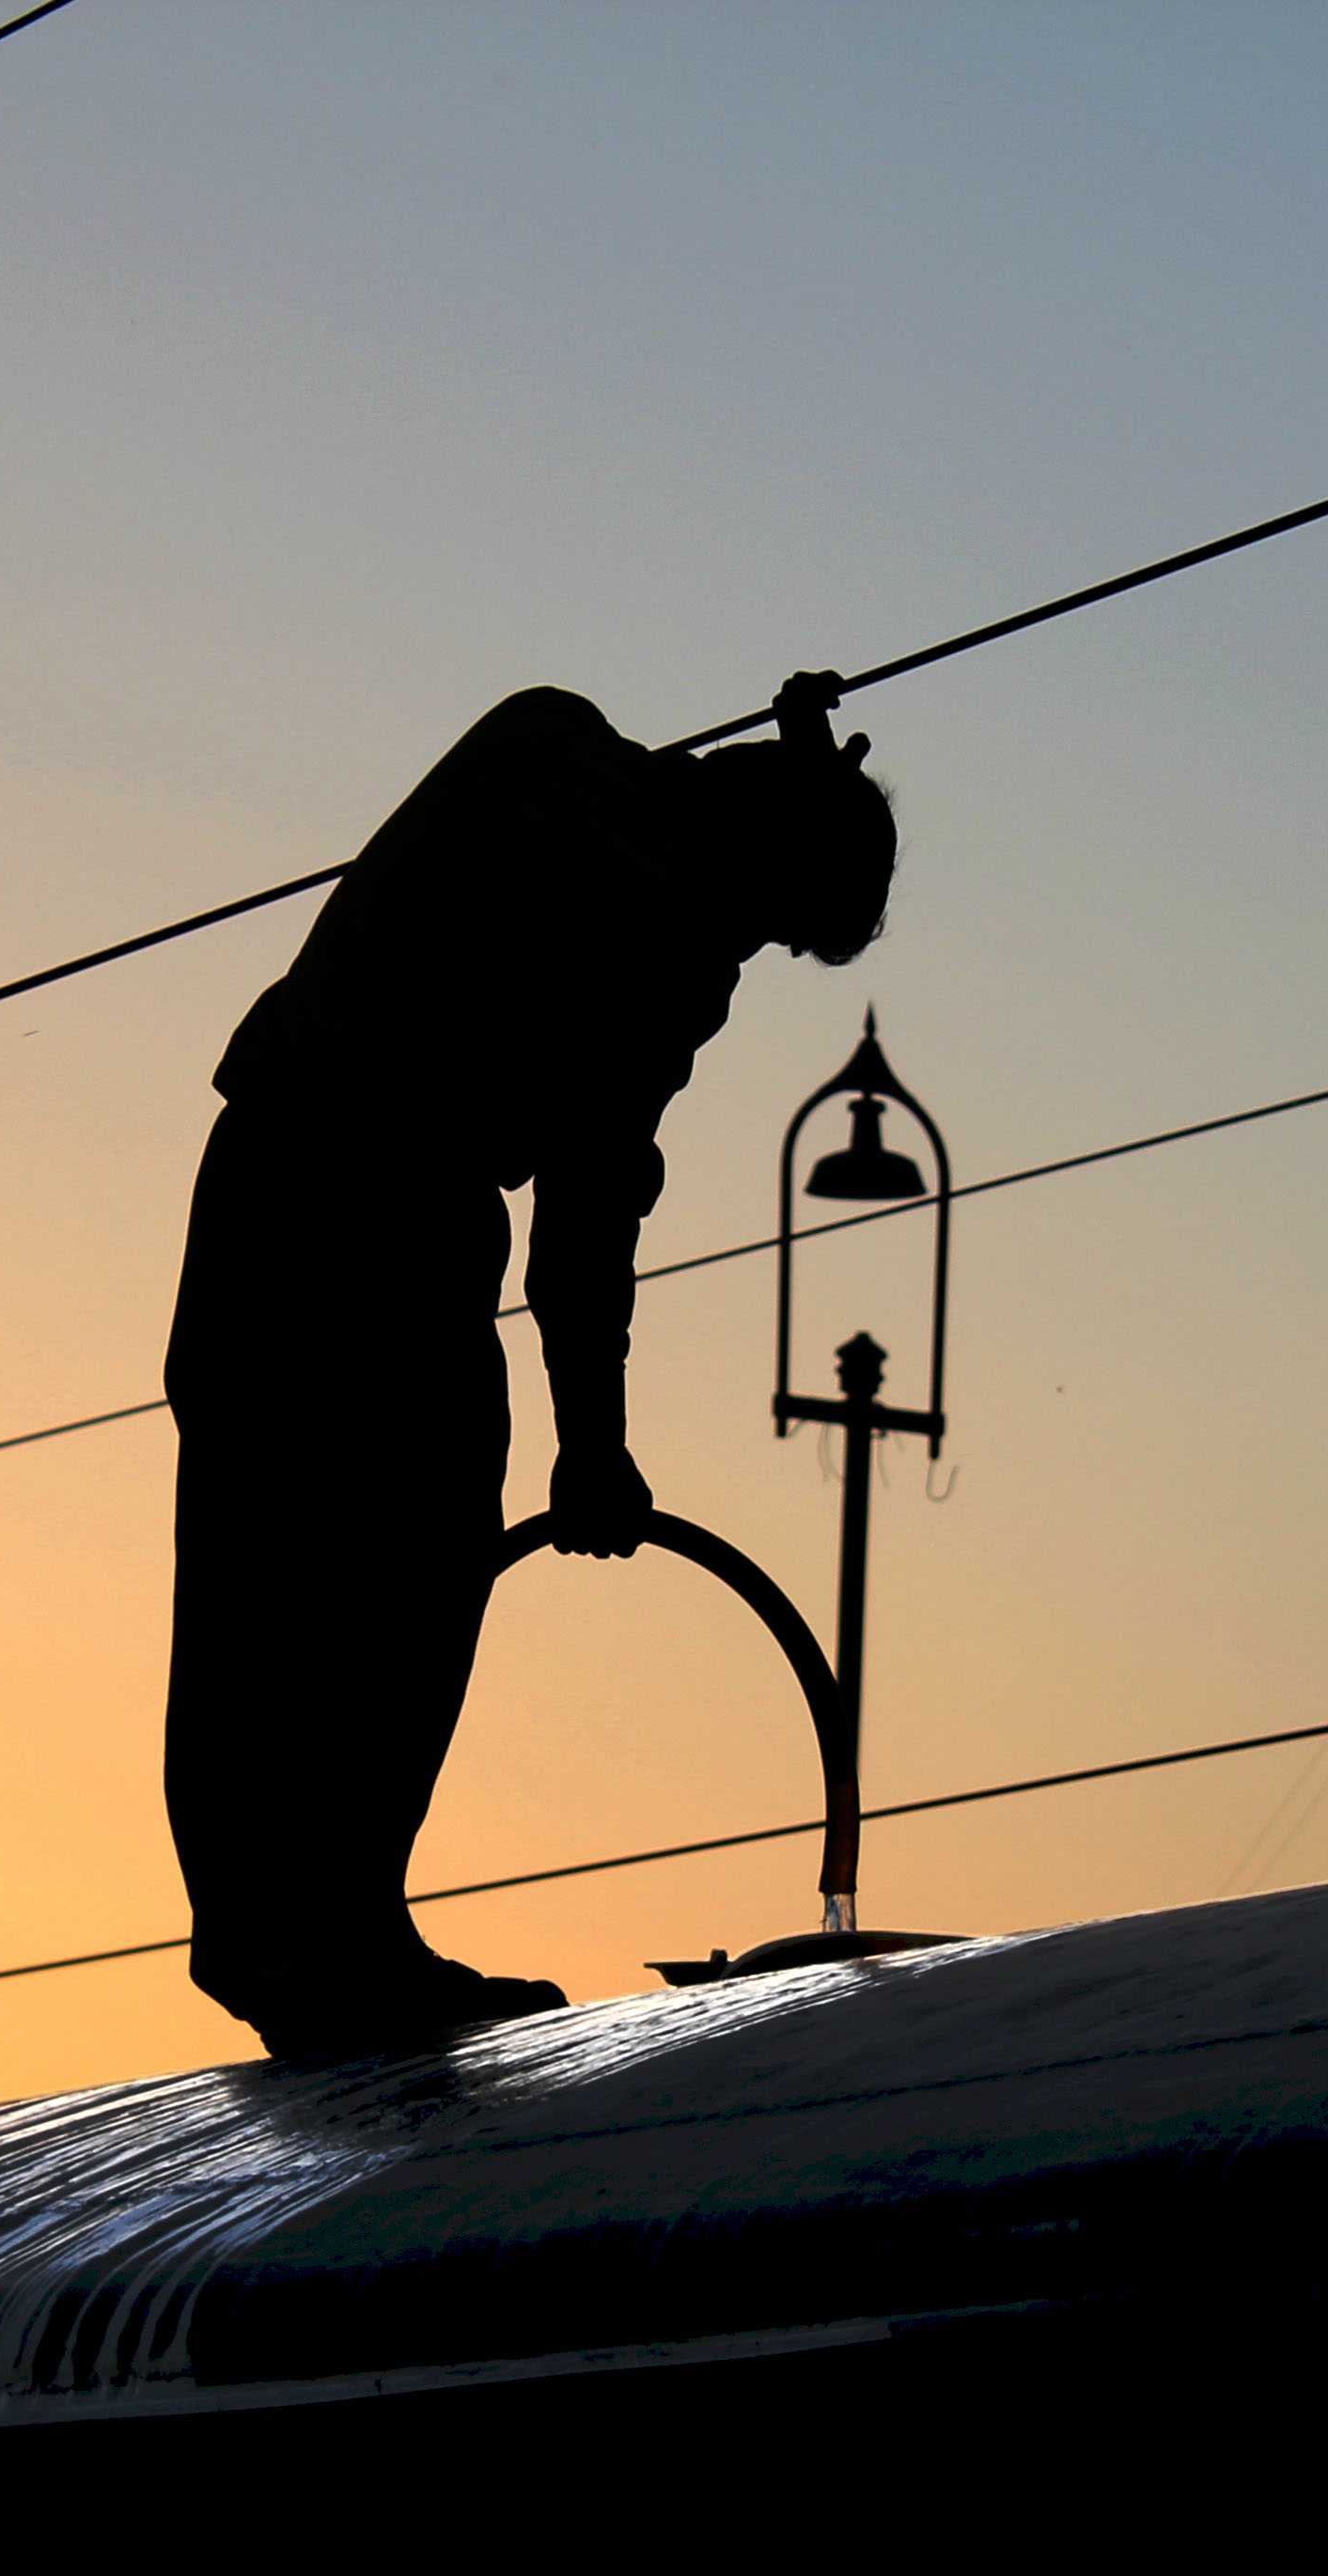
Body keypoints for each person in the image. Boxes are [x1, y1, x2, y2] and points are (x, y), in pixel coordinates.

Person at [164, 671, 896, 2059]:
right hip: (393, 1201)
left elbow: (676, 812)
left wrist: (787, 771)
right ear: (766, 871)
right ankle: (347, 1935)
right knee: (415, 1544)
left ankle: (258, 1932)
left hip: (254, 1175)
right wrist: (596, 1444)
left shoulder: (544, 735)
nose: (748, 958)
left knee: (252, 1568)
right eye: (778, 929)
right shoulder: (674, 922)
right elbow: (588, 1213)